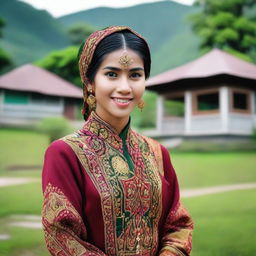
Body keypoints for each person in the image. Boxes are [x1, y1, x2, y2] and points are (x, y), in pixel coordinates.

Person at [42, 26, 193, 256]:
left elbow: (178, 225)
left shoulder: (158, 153)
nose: (125, 87)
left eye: (135, 75)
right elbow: (62, 235)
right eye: (111, 74)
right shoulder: (65, 153)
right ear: (90, 81)